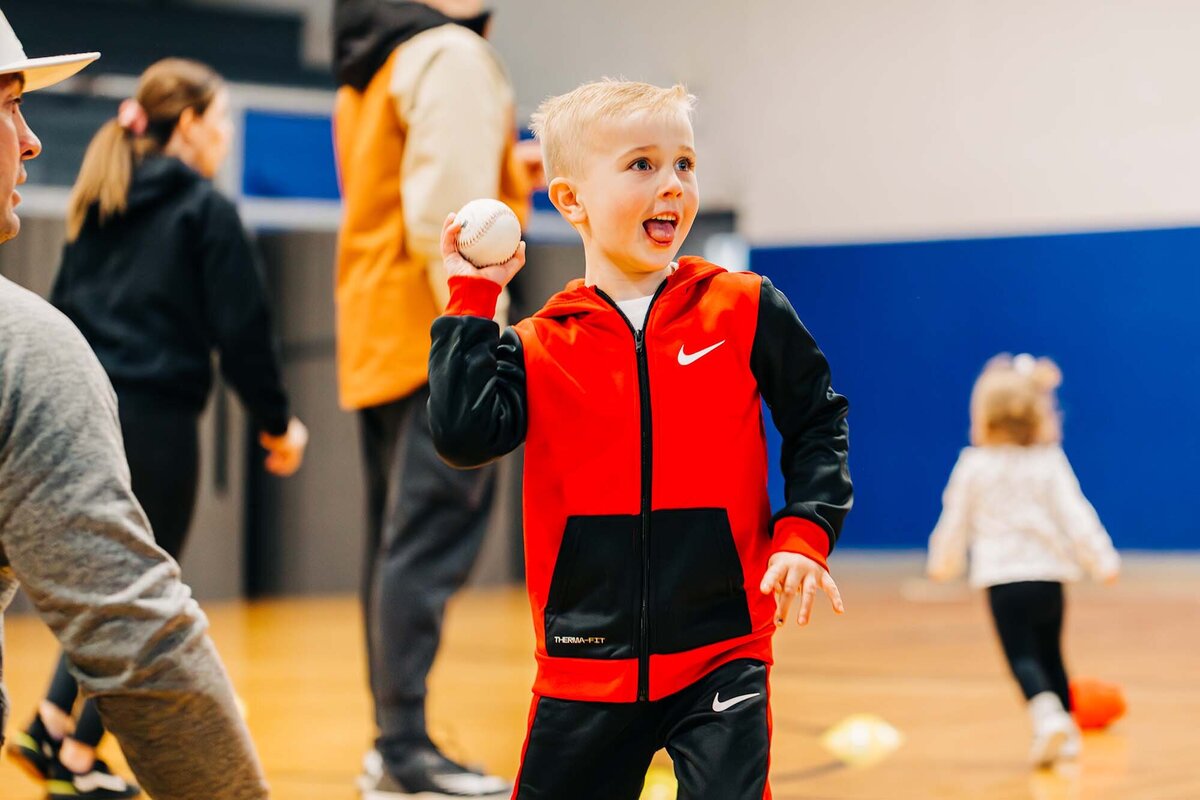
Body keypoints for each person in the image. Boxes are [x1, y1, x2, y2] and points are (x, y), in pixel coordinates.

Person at [427, 79, 852, 799]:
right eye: (642, 165)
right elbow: (464, 436)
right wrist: (473, 297)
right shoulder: (537, 344)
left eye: (683, 164)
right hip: (584, 658)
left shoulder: (744, 307)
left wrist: (804, 533)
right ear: (570, 201)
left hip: (724, 650)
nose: (672, 186)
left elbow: (818, 421)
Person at [11, 56, 307, 798]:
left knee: (96, 589)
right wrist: (278, 425)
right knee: (134, 605)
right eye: (225, 119)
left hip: (80, 412)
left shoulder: (102, 200)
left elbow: (59, 305)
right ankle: (78, 759)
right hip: (160, 419)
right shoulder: (205, 211)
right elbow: (243, 331)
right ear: (194, 125)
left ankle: (53, 726)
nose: (230, 135)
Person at [332, 1, 537, 796]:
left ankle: (395, 741)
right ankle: (406, 750)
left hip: (379, 327)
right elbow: (447, 214)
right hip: (435, 331)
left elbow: (404, 185)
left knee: (395, 547)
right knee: (424, 544)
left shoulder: (373, 64)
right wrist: (478, 327)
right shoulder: (448, 53)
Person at [927, 353, 1120, 767]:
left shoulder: (974, 466)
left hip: (1004, 581)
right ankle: (1066, 730)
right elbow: (1077, 513)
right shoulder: (1048, 462)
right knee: (1052, 652)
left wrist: (943, 563)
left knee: (1023, 656)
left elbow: (954, 519)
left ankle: (1048, 716)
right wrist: (1101, 558)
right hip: (1050, 578)